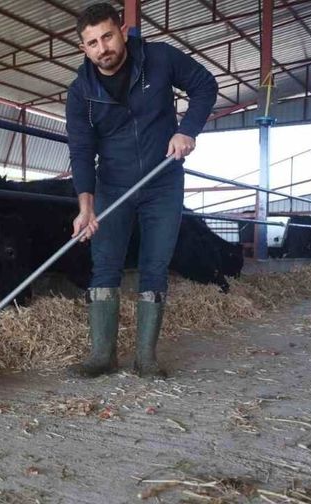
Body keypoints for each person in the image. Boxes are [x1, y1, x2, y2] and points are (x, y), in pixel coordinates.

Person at [65, 3, 218, 378]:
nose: (103, 47)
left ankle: (145, 358)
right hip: (112, 185)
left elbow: (205, 85)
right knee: (105, 265)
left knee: (155, 265)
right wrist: (86, 207)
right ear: (84, 49)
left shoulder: (159, 58)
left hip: (162, 182)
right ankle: (102, 355)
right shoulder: (80, 92)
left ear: (122, 30)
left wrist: (188, 130)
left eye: (107, 36)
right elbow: (82, 150)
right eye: (92, 43)